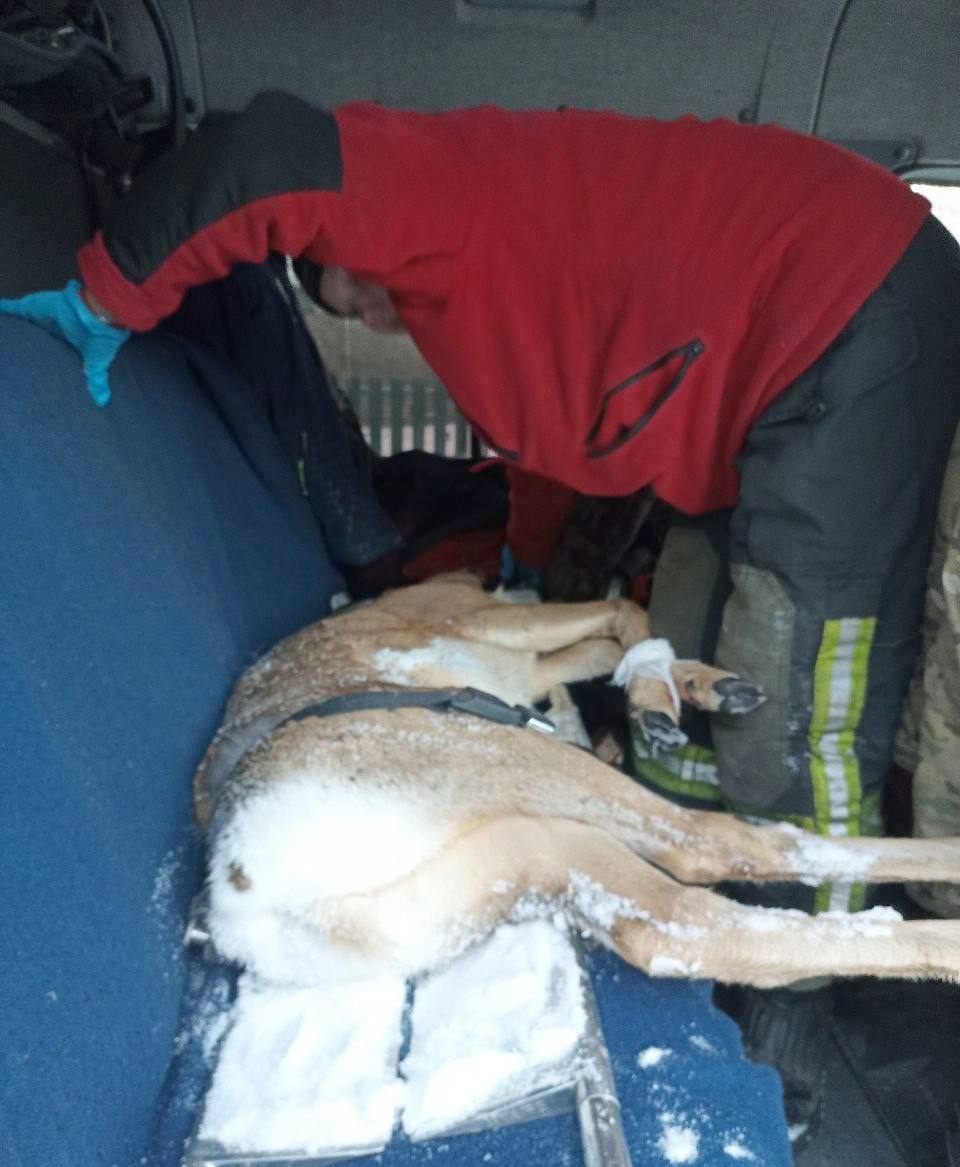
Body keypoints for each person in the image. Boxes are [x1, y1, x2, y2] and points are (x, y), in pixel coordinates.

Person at [3, 90, 960, 855]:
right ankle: (704, 868)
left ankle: (819, 966)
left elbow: (263, 148)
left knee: (797, 685)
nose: (376, 317)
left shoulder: (435, 186)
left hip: (848, 300)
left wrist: (105, 300)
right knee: (680, 661)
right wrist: (527, 572)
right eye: (355, 315)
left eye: (355, 288)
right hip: (755, 389)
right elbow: (554, 454)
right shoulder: (479, 316)